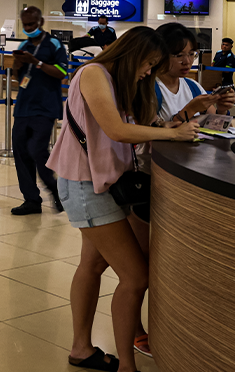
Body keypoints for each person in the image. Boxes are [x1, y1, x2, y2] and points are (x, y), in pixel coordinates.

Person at [48, 26, 199, 372]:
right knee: (136, 277)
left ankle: (81, 348)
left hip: (103, 183)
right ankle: (127, 366)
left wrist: (184, 117)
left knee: (94, 264)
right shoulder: (94, 73)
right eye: (148, 64)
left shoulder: (121, 81)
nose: (149, 72)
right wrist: (172, 134)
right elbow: (116, 129)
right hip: (87, 185)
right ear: (132, 54)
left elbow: (141, 126)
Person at [10, 6, 69, 215]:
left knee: (37, 150)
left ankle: (55, 190)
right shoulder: (24, 45)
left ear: (41, 22)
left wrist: (37, 62)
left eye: (32, 24)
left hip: (45, 107)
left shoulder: (54, 44)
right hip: (23, 107)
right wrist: (17, 63)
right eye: (25, 24)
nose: (28, 28)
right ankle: (31, 200)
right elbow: (18, 78)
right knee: (21, 152)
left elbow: (62, 71)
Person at [154, 23, 235, 123]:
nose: (187, 61)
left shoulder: (193, 87)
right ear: (160, 55)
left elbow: (218, 126)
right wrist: (191, 109)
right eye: (179, 55)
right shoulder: (149, 89)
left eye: (192, 54)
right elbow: (149, 131)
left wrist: (222, 110)